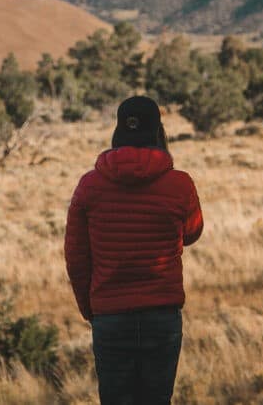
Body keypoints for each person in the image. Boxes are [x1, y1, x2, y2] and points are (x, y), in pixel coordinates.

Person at [64, 95, 204, 405]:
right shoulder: (180, 185)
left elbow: (76, 258)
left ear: (118, 132)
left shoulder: (89, 186)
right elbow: (192, 233)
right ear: (159, 132)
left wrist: (91, 309)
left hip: (110, 317)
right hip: (161, 316)